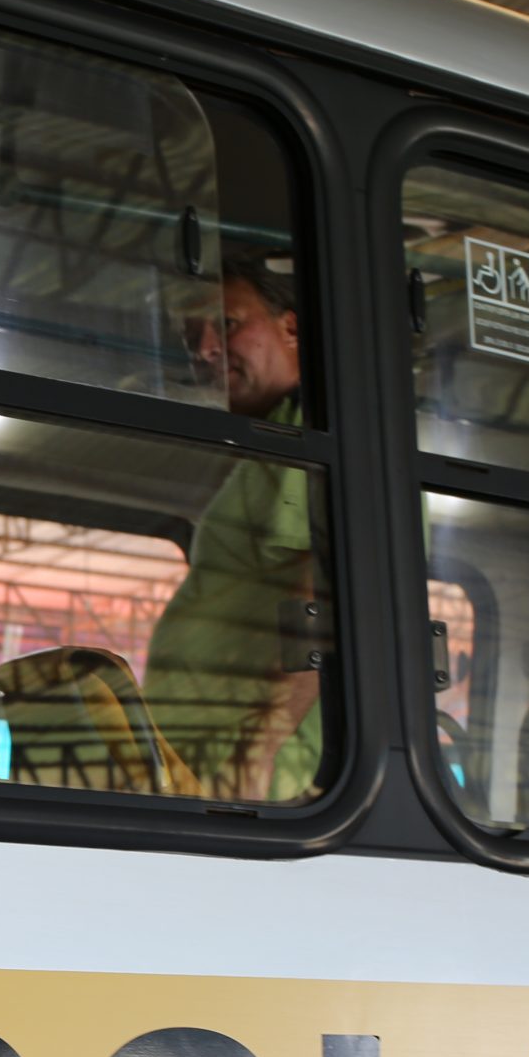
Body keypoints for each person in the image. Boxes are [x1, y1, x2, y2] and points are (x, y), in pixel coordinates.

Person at [140, 253, 323, 801]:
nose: (204, 349)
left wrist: (260, 744)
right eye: (191, 334)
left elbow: (322, 595)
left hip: (252, 776)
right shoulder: (273, 448)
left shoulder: (308, 436)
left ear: (290, 326)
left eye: (227, 324)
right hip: (213, 764)